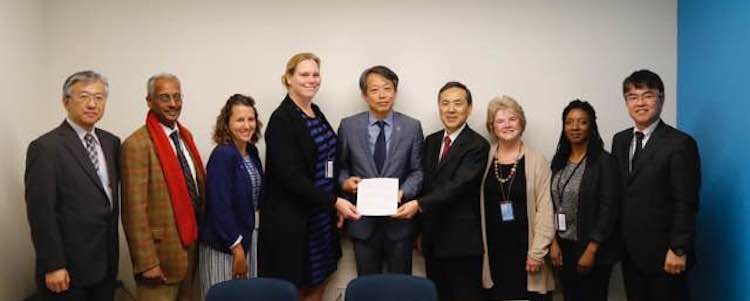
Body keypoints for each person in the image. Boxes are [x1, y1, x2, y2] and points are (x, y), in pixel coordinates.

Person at [259, 52, 360, 301]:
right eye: (304, 74)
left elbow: (326, 162)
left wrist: (340, 188)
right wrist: (335, 202)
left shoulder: (314, 110)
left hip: (320, 218)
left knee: (319, 279)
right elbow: (291, 177)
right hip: (294, 222)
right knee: (294, 288)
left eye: (315, 74)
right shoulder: (282, 119)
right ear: (289, 78)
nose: (311, 80)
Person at [25, 70, 120, 300]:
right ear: (66, 102)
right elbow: (41, 212)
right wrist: (53, 264)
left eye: (99, 98)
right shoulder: (46, 148)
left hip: (106, 262)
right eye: (83, 96)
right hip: (67, 270)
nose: (92, 104)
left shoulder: (111, 142)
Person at [612, 70, 700, 301]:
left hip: (666, 256)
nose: (640, 103)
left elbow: (686, 201)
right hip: (631, 254)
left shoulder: (680, 143)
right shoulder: (619, 141)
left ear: (661, 99)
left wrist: (678, 248)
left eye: (648, 95)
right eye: (632, 97)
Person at [398, 81, 488, 301]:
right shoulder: (431, 140)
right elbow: (424, 185)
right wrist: (420, 229)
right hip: (432, 240)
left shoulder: (478, 145)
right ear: (438, 107)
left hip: (462, 243)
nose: (451, 109)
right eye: (445, 103)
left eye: (458, 103)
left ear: (469, 108)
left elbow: (457, 185)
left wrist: (418, 206)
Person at [121, 73, 205, 300]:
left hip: (190, 250)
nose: (173, 104)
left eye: (177, 97)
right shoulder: (136, 145)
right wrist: (147, 263)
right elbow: (133, 210)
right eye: (164, 97)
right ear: (149, 101)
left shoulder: (185, 137)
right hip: (160, 259)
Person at [337, 65, 424, 276]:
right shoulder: (348, 126)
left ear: (395, 92)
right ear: (365, 95)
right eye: (375, 90)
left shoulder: (412, 127)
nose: (382, 95)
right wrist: (345, 182)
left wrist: (403, 192)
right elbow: (340, 167)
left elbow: (418, 171)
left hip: (399, 223)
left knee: (400, 288)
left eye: (387, 88)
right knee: (367, 287)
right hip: (362, 222)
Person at [479, 96, 555, 301]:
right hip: (493, 251)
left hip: (526, 250)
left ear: (521, 122)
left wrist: (537, 252)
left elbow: (546, 210)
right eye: (500, 121)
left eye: (512, 119)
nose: (507, 125)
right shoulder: (484, 157)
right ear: (492, 127)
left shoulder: (537, 161)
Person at [548, 100, 620, 301]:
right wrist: (553, 243)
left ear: (592, 126)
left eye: (582, 122)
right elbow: (551, 204)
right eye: (569, 122)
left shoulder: (604, 162)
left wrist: (591, 249)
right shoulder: (559, 161)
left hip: (591, 249)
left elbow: (609, 209)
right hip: (563, 248)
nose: (575, 127)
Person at [199, 94, 264, 298]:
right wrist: (236, 249)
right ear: (226, 124)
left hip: (247, 240)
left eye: (250, 119)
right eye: (239, 120)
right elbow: (220, 207)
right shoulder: (222, 155)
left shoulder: (251, 152)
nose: (246, 126)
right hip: (225, 246)